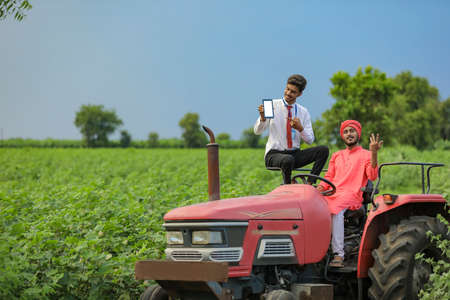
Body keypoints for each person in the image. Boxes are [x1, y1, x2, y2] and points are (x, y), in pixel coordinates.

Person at [317, 120, 383, 268]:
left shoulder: (366, 154)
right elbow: (329, 176)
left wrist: (374, 153)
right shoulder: (337, 155)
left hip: (352, 194)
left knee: (336, 209)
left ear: (358, 134)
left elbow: (372, 176)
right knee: (313, 206)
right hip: (334, 192)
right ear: (342, 136)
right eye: (346, 132)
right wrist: (320, 188)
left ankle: (338, 254)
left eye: (352, 131)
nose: (349, 134)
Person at [253, 74, 329, 184]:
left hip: (294, 154)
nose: (288, 93)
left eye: (293, 92)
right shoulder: (272, 105)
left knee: (323, 150)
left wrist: (300, 128)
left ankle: (310, 184)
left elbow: (310, 140)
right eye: (287, 89)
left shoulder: (303, 112)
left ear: (300, 94)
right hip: (274, 155)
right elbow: (257, 131)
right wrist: (263, 118)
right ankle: (287, 187)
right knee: (287, 159)